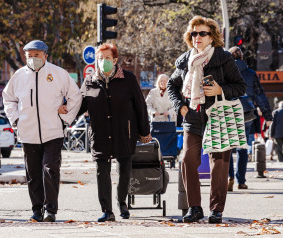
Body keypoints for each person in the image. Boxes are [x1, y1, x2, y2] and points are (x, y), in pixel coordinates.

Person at [167, 16, 246, 224]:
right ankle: (194, 207)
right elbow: (172, 86)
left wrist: (221, 89)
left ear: (212, 36)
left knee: (219, 164)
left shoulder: (223, 58)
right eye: (194, 33)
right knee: (187, 160)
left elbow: (240, 86)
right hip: (192, 117)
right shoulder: (186, 61)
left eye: (202, 33)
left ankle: (216, 209)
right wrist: (181, 107)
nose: (197, 37)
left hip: (218, 116)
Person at [2, 40, 82, 222]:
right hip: (28, 134)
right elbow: (8, 99)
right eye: (29, 55)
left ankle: (50, 210)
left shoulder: (58, 74)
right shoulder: (19, 76)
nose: (33, 59)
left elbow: (75, 96)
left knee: (50, 169)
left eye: (36, 55)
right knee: (33, 174)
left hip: (53, 132)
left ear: (45, 55)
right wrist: (15, 120)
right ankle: (37, 210)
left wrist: (65, 118)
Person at [78, 43, 151, 222]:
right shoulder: (89, 81)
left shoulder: (128, 79)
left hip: (124, 133)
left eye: (108, 58)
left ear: (115, 60)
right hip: (100, 134)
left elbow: (140, 107)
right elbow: (78, 106)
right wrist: (63, 115)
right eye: (100, 59)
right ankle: (107, 210)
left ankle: (122, 202)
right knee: (102, 172)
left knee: (124, 171)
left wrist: (144, 131)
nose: (104, 62)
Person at [226, 46, 273, 191]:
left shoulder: (224, 72)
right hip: (246, 115)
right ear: (241, 58)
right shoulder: (250, 74)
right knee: (242, 148)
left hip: (227, 113)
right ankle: (241, 180)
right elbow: (260, 95)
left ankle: (229, 177)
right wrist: (267, 115)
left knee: (227, 148)